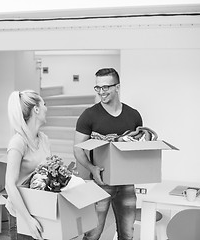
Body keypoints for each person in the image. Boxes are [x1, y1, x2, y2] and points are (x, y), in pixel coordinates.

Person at [74, 68, 143, 240]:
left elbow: (137, 148)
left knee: (127, 234)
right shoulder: (89, 115)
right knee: (93, 233)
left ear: (117, 87)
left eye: (106, 87)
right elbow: (77, 149)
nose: (101, 92)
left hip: (126, 182)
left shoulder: (133, 116)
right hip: (100, 182)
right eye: (98, 88)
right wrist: (92, 169)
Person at [5, 90, 51, 240]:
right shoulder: (18, 142)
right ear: (36, 109)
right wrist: (28, 220)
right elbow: (9, 185)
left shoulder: (44, 139)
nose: (46, 108)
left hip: (39, 209)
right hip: (21, 213)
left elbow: (48, 172)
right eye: (44, 104)